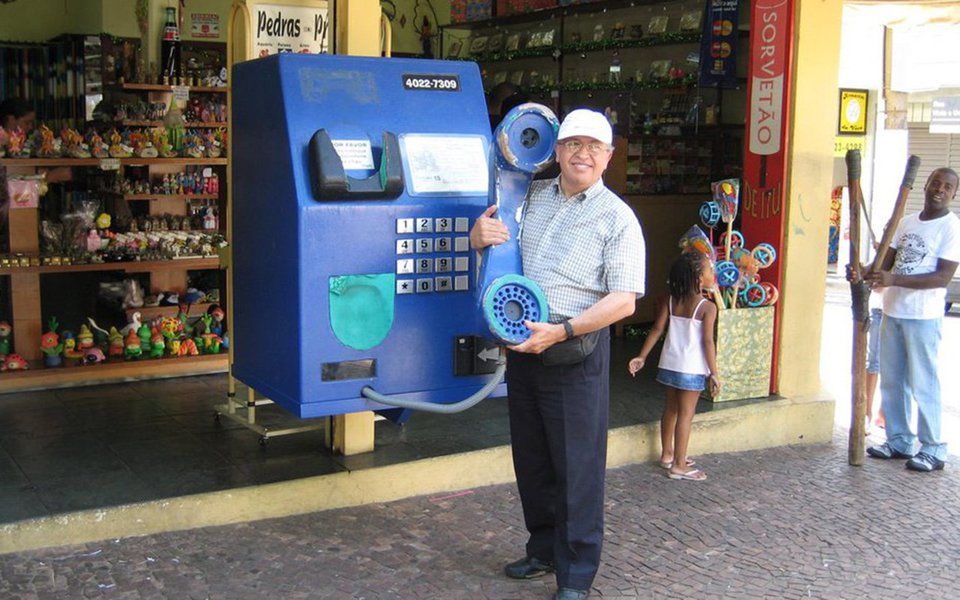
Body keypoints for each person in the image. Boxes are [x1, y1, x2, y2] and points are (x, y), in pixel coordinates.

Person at [470, 109, 645, 600]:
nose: (582, 154)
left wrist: (562, 330)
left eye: (594, 146)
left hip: (575, 352)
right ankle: (543, 548)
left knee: (577, 468)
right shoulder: (529, 197)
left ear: (608, 157)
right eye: (573, 144)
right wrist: (475, 239)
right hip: (525, 347)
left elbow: (625, 299)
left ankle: (576, 575)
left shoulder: (617, 218)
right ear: (558, 151)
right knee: (534, 460)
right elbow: (496, 250)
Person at [865, 167, 960, 472]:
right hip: (893, 310)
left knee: (924, 383)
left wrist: (893, 279)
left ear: (953, 194)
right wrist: (866, 270)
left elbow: (942, 278)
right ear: (926, 185)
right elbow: (886, 263)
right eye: (936, 183)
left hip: (923, 316)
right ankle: (900, 440)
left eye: (947, 187)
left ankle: (933, 448)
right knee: (893, 381)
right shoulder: (906, 223)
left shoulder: (951, 228)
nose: (940, 190)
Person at [627, 251, 720, 481]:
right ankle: (679, 465)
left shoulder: (671, 300)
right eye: (709, 269)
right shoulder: (707, 307)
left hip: (669, 364)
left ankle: (667, 454)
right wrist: (715, 373)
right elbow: (707, 341)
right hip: (692, 368)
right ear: (699, 277)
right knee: (686, 415)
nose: (713, 273)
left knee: (671, 410)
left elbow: (657, 330)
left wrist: (642, 356)